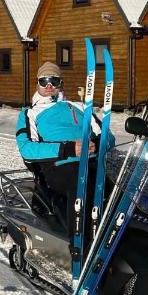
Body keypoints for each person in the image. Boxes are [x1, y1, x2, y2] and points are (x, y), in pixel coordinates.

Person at [16, 61, 113, 238]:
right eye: (44, 81)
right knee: (80, 180)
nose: (49, 85)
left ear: (61, 83)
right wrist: (67, 149)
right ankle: (80, 247)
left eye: (54, 80)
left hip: (93, 160)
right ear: (37, 83)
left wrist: (96, 144)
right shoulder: (30, 113)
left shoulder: (81, 107)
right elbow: (27, 149)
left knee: (127, 184)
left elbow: (109, 137)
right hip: (58, 165)